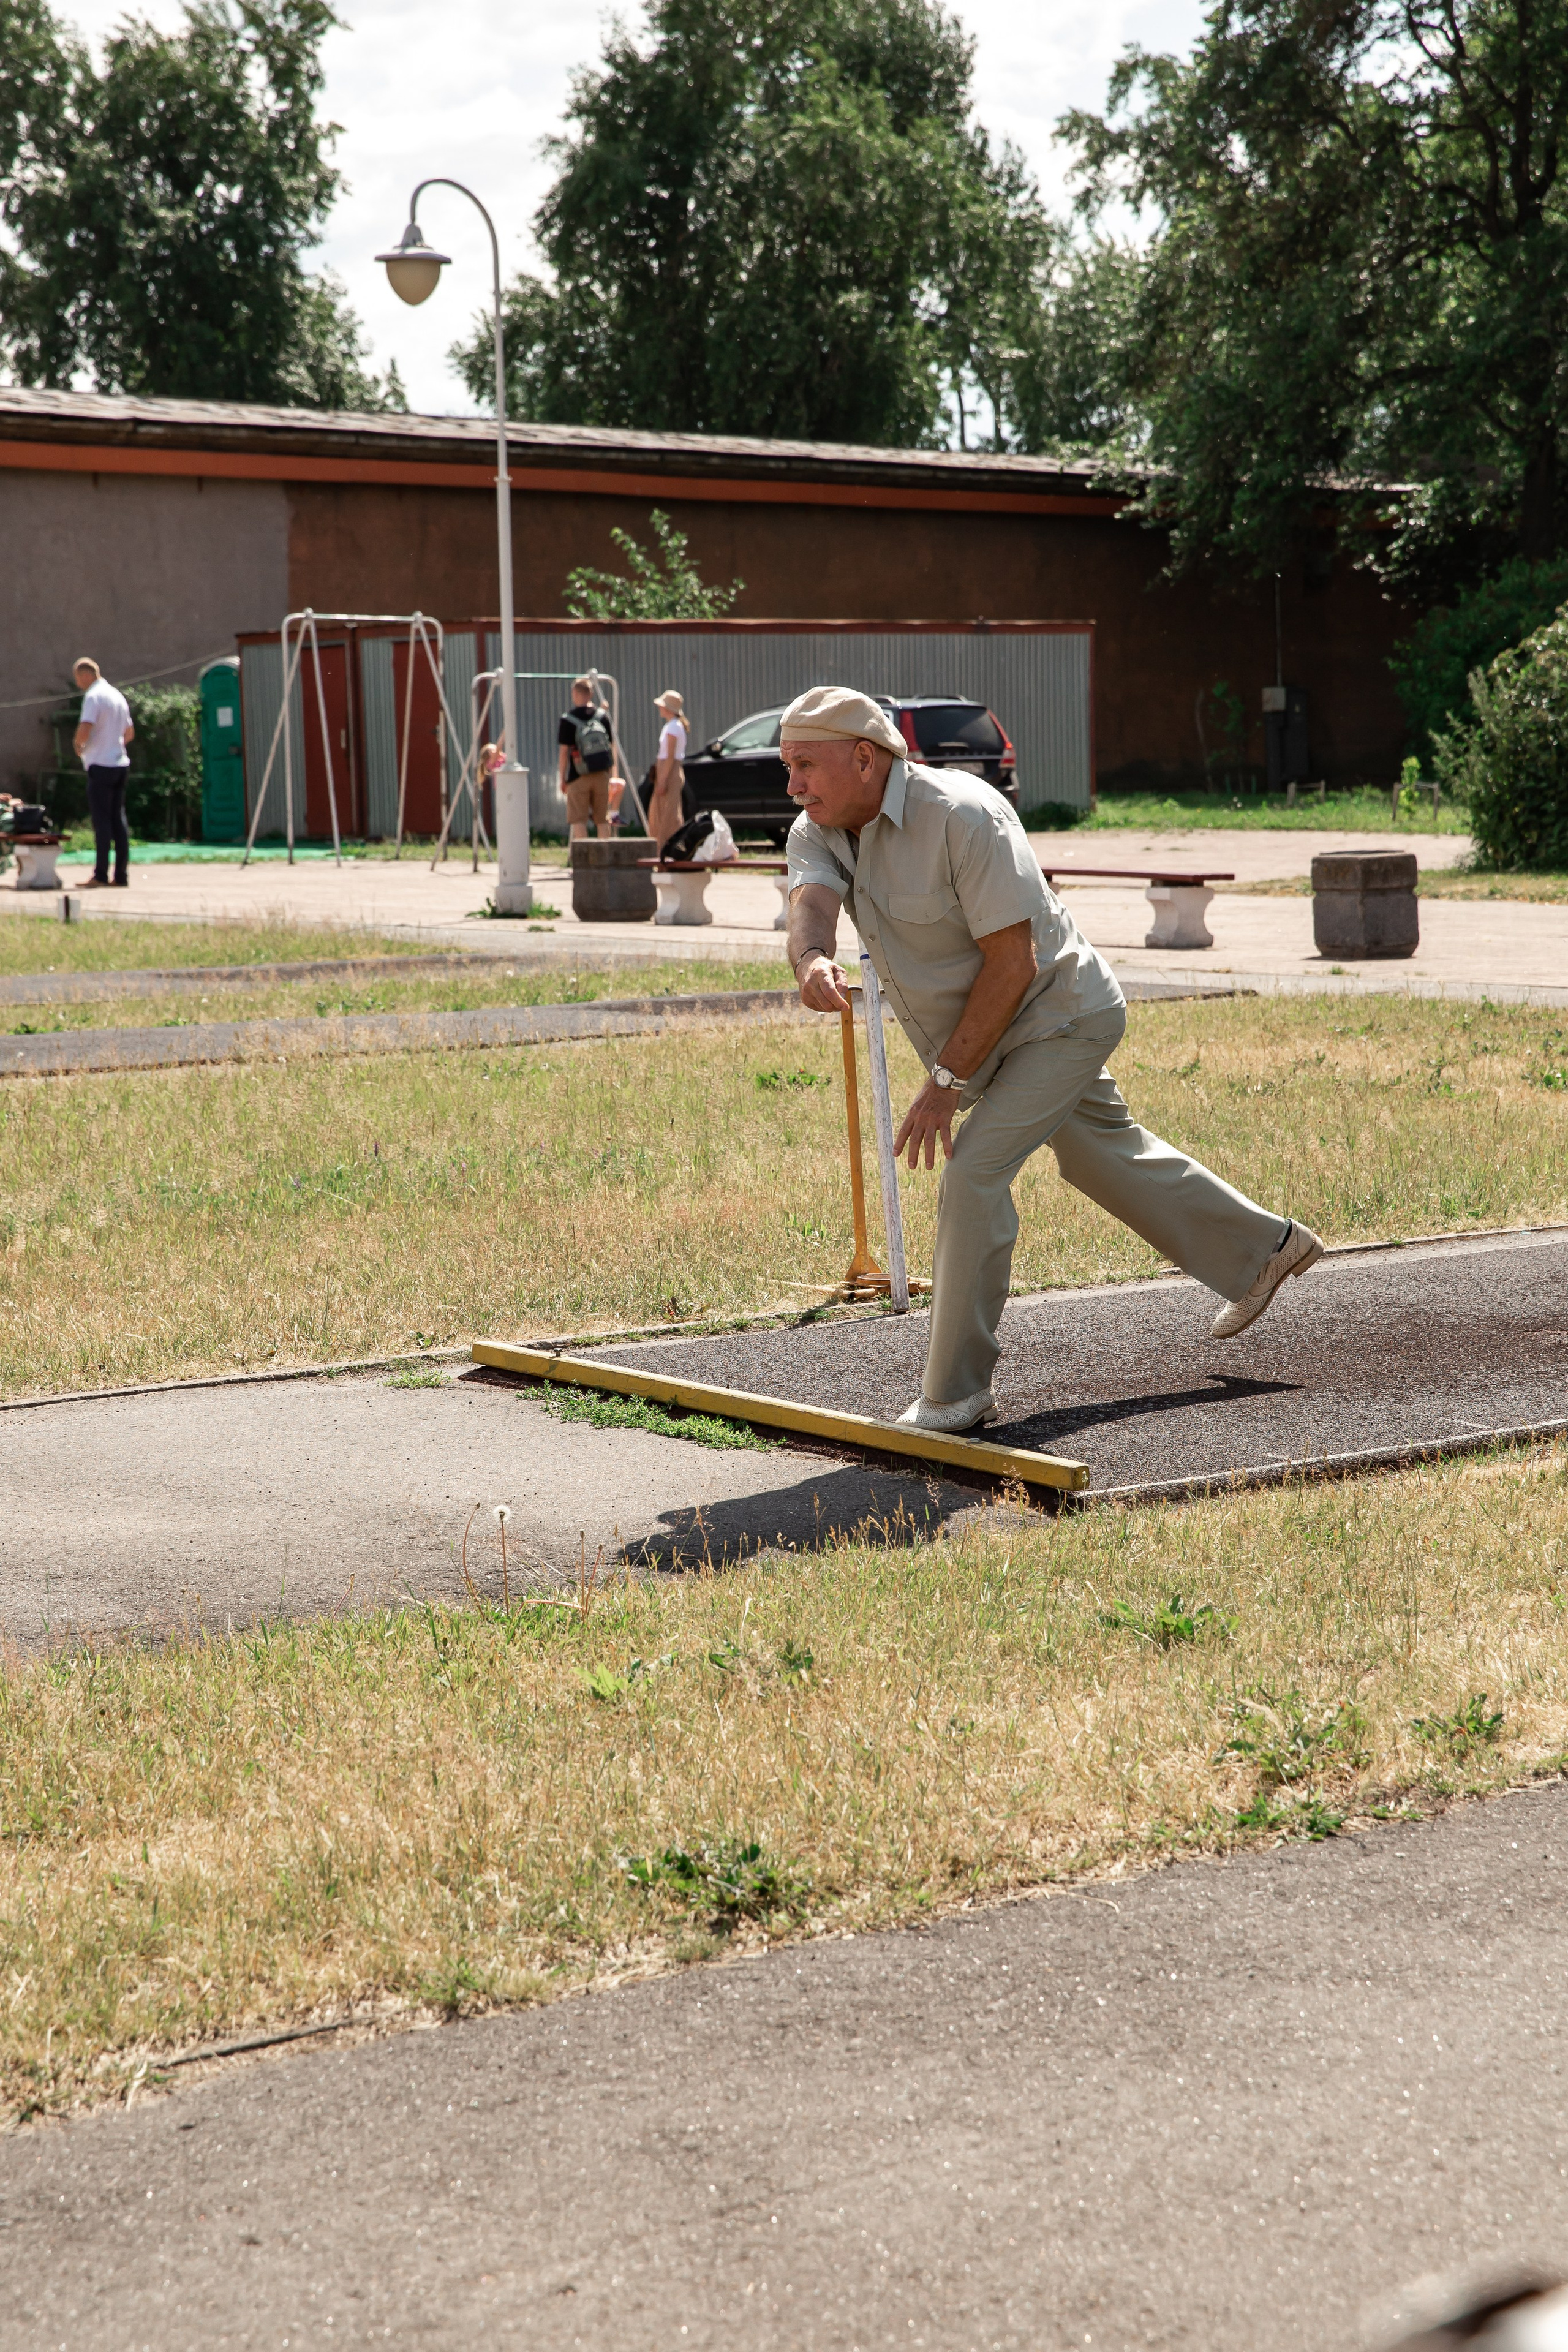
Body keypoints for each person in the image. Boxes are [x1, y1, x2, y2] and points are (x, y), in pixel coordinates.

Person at [782, 684, 1324, 1433]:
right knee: (1101, 1155)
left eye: (805, 765)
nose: (793, 785)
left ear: (866, 760)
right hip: (992, 1033)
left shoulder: (963, 814)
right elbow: (810, 904)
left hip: (1060, 1017)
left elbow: (1014, 964)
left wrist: (944, 1083)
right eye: (787, 767)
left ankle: (956, 1392)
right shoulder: (819, 826)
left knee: (973, 1173)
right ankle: (1266, 1250)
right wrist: (810, 959)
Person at [71, 657, 133, 889]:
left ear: (86, 674)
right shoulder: (117, 695)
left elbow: (86, 726)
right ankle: (121, 876)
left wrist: (79, 745)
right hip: (120, 764)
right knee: (118, 819)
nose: (78, 684)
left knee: (102, 821)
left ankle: (101, 875)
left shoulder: (94, 696)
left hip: (101, 765)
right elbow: (129, 732)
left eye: (78, 679)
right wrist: (113, 745)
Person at [556, 675, 616, 842]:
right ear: (591, 694)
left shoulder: (567, 720)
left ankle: (585, 857)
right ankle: (605, 856)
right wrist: (610, 775)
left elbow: (563, 753)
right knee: (602, 820)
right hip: (601, 775)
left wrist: (563, 779)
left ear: (575, 694)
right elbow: (610, 747)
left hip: (578, 776)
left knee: (579, 821)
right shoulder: (602, 717)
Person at [648, 688, 688, 850]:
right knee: (660, 813)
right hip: (667, 771)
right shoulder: (673, 726)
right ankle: (663, 850)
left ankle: (669, 850)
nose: (660, 708)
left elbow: (670, 756)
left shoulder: (673, 727)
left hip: (669, 772)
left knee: (668, 816)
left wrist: (663, 781)